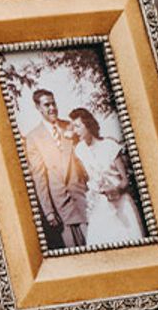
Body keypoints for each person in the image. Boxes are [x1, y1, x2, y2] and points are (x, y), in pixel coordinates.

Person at [68, 107, 144, 248]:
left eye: (78, 126)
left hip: (121, 205)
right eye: (73, 127)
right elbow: (85, 179)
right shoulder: (79, 150)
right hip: (99, 208)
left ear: (88, 124)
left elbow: (126, 180)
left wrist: (116, 190)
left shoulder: (110, 146)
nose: (75, 131)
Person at [24, 89, 88, 248]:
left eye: (54, 103)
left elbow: (86, 157)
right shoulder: (33, 138)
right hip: (61, 202)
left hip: (84, 195)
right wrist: (49, 211)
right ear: (38, 108)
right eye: (47, 105)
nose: (52, 108)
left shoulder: (70, 126)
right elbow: (39, 177)